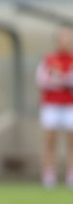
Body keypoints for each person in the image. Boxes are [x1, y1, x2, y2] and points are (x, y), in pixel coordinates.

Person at [35, 26, 73, 189]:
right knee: (50, 141)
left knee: (71, 142)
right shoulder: (48, 59)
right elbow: (42, 81)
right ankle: (48, 176)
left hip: (69, 105)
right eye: (61, 38)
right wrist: (61, 81)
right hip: (51, 104)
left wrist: (60, 80)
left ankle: (70, 175)